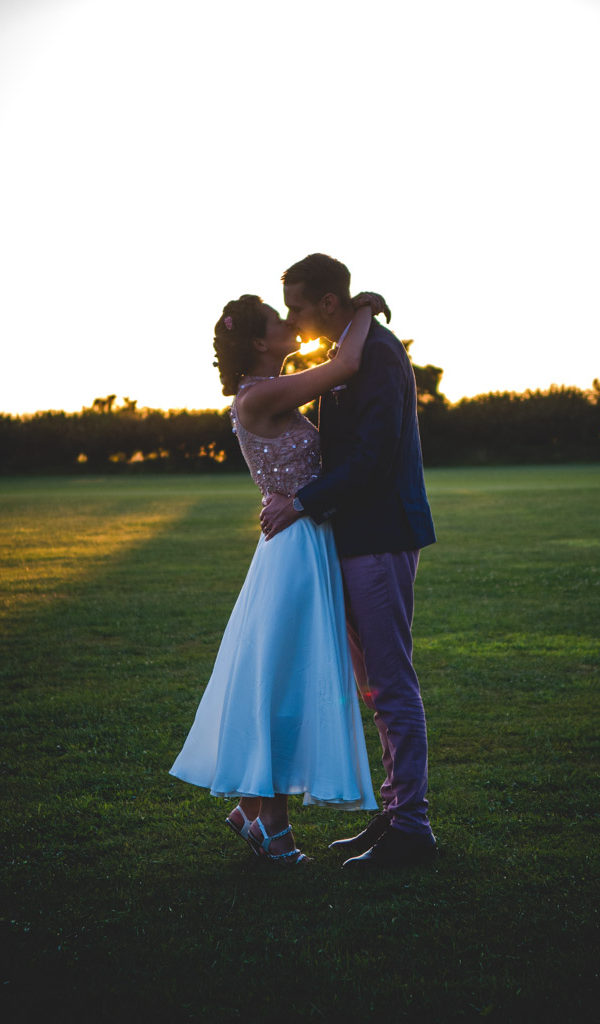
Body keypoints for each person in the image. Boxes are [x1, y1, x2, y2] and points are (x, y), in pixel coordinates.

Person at [170, 292, 383, 866]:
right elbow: (345, 365)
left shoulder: (267, 392)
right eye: (279, 320)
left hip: (303, 541)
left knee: (284, 673)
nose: (292, 324)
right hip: (292, 550)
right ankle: (274, 828)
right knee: (286, 680)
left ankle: (253, 810)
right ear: (261, 343)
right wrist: (364, 309)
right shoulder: (260, 395)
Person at [260, 254, 437, 870]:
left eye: (298, 307)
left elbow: (372, 455)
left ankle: (413, 829)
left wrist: (300, 503)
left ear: (329, 304)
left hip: (382, 535)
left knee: (391, 682)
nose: (292, 318)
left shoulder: (381, 354)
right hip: (349, 541)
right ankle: (393, 815)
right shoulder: (343, 352)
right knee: (374, 688)